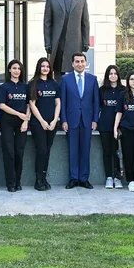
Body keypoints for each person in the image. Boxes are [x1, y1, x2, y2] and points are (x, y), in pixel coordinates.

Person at [60, 52, 99, 189]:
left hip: (87, 120)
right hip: (71, 120)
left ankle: (84, 178)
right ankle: (73, 178)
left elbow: (96, 101)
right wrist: (63, 120)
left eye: (82, 61)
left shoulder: (92, 79)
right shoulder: (65, 79)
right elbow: (63, 101)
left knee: (85, 150)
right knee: (73, 150)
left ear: (85, 63)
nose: (80, 64)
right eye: (77, 61)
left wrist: (95, 119)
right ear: (72, 64)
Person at [0, 59, 29, 191]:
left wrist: (25, 121)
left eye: (19, 69)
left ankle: (18, 182)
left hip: (22, 124)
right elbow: (2, 105)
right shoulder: (4, 87)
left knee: (19, 152)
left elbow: (29, 105)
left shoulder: (25, 87)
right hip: (7, 122)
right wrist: (18, 114)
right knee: (9, 152)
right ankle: (10, 183)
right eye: (14, 68)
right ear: (9, 70)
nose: (16, 71)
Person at [28, 57, 61, 191]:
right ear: (38, 68)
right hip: (38, 123)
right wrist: (42, 121)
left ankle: (44, 178)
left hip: (52, 124)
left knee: (47, 151)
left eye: (47, 66)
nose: (45, 68)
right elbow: (32, 104)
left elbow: (58, 103)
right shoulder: (33, 84)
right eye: (43, 66)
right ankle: (38, 180)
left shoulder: (54, 84)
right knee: (41, 150)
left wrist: (55, 120)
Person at [98, 65, 125, 188]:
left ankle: (118, 177)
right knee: (107, 152)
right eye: (110, 74)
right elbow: (97, 107)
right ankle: (109, 177)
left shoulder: (123, 90)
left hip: (120, 127)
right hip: (105, 125)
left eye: (115, 73)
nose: (113, 76)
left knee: (117, 152)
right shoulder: (102, 90)